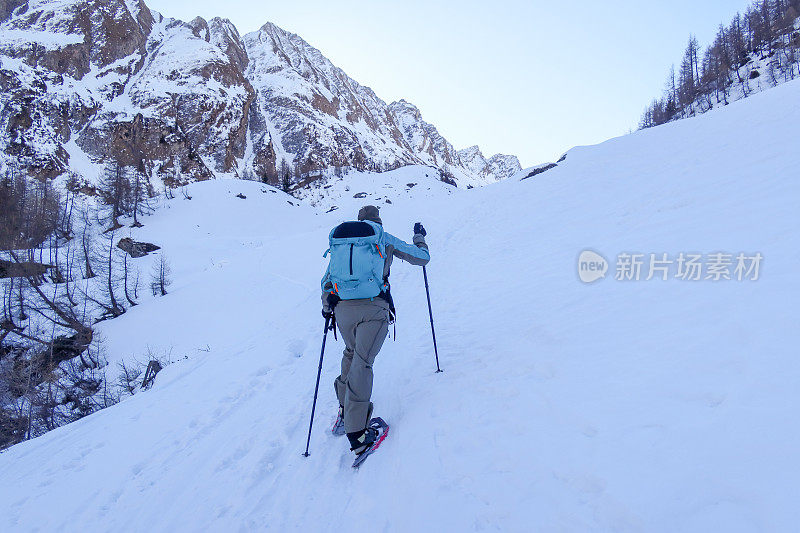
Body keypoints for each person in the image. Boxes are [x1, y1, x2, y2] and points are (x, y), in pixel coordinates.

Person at [321, 205, 430, 457]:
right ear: (378, 221)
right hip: (373, 308)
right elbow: (421, 258)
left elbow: (327, 279)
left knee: (351, 352)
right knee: (363, 362)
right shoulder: (382, 237)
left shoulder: (342, 242)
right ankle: (358, 434)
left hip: (342, 310)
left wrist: (328, 306)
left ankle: (343, 410)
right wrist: (420, 239)